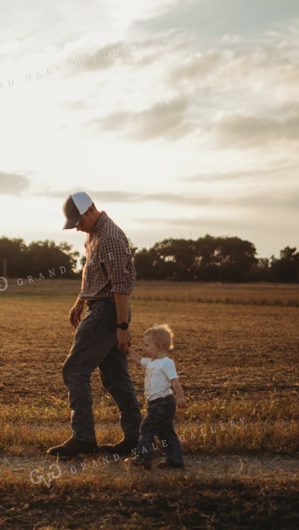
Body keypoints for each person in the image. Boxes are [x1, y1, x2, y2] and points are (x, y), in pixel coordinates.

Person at [47, 192, 142, 458]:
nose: (77, 227)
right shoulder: (94, 234)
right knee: (115, 377)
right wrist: (80, 301)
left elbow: (121, 285)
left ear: (90, 210)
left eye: (78, 221)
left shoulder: (110, 237)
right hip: (100, 307)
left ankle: (83, 438)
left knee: (74, 369)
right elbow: (94, 271)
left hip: (108, 312)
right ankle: (136, 438)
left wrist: (122, 325)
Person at [124, 324, 185, 469]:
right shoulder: (151, 362)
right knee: (166, 432)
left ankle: (144, 458)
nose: (144, 348)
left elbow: (174, 381)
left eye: (146, 345)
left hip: (163, 403)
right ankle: (175, 459)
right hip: (155, 404)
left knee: (146, 428)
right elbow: (139, 359)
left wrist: (181, 397)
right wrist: (127, 350)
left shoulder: (166, 363)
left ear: (159, 346)